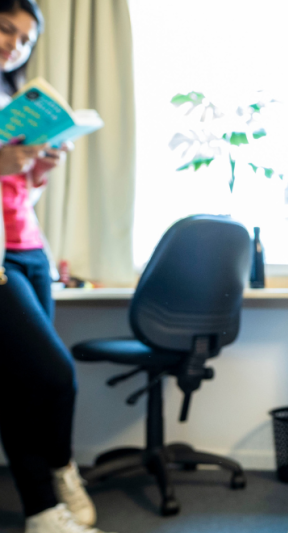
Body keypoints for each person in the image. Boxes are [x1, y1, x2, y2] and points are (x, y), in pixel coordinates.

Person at [0, 1, 112, 532]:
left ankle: (42, 510)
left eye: (24, 40)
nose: (14, 45)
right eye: (5, 30)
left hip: (29, 248)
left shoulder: (10, 98)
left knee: (21, 383)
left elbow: (15, 190)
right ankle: (61, 471)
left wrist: (38, 166)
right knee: (54, 372)